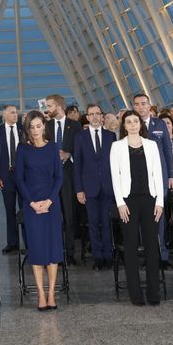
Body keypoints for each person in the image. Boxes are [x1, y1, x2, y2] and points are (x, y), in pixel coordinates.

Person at [109, 110, 164, 307]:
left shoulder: (151, 145)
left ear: (140, 124)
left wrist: (160, 202)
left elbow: (158, 173)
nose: (132, 124)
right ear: (124, 125)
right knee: (131, 247)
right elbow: (115, 177)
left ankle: (153, 292)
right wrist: (120, 203)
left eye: (135, 121)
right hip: (128, 201)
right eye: (129, 122)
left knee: (151, 246)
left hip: (150, 200)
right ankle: (135, 293)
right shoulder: (116, 147)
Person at [15, 110, 63, 310]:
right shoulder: (22, 149)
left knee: (52, 250)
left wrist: (50, 201)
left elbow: (59, 177)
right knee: (37, 250)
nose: (35, 130)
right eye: (31, 127)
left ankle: (52, 294)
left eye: (38, 126)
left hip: (51, 205)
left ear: (44, 126)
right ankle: (40, 295)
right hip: (31, 205)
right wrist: (33, 203)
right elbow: (19, 178)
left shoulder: (53, 147)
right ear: (27, 129)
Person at [133, 93, 173, 269]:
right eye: (137, 104)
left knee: (160, 218)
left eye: (144, 104)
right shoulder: (131, 124)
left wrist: (171, 175)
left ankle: (162, 255)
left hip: (159, 177)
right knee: (143, 219)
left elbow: (167, 149)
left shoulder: (159, 124)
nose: (141, 107)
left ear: (149, 105)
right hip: (140, 180)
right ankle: (148, 254)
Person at [74, 104, 115, 269]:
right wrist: (78, 189)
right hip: (89, 188)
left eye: (98, 113)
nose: (95, 117)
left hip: (108, 187)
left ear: (102, 116)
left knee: (107, 223)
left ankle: (108, 256)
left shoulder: (110, 136)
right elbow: (77, 164)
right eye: (92, 114)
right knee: (93, 223)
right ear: (87, 117)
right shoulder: (80, 137)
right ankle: (98, 258)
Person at [44, 94, 81, 265]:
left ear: (59, 106)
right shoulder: (46, 125)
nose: (47, 109)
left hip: (69, 174)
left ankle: (70, 252)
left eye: (49, 106)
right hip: (50, 177)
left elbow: (80, 149)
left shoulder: (75, 125)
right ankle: (55, 252)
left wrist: (69, 154)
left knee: (69, 215)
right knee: (53, 216)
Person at [0, 105, 21, 253]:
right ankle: (13, 243)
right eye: (12, 113)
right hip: (6, 176)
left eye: (16, 113)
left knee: (26, 209)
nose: (15, 115)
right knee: (9, 210)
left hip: (23, 176)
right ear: (4, 115)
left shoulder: (23, 129)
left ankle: (30, 242)